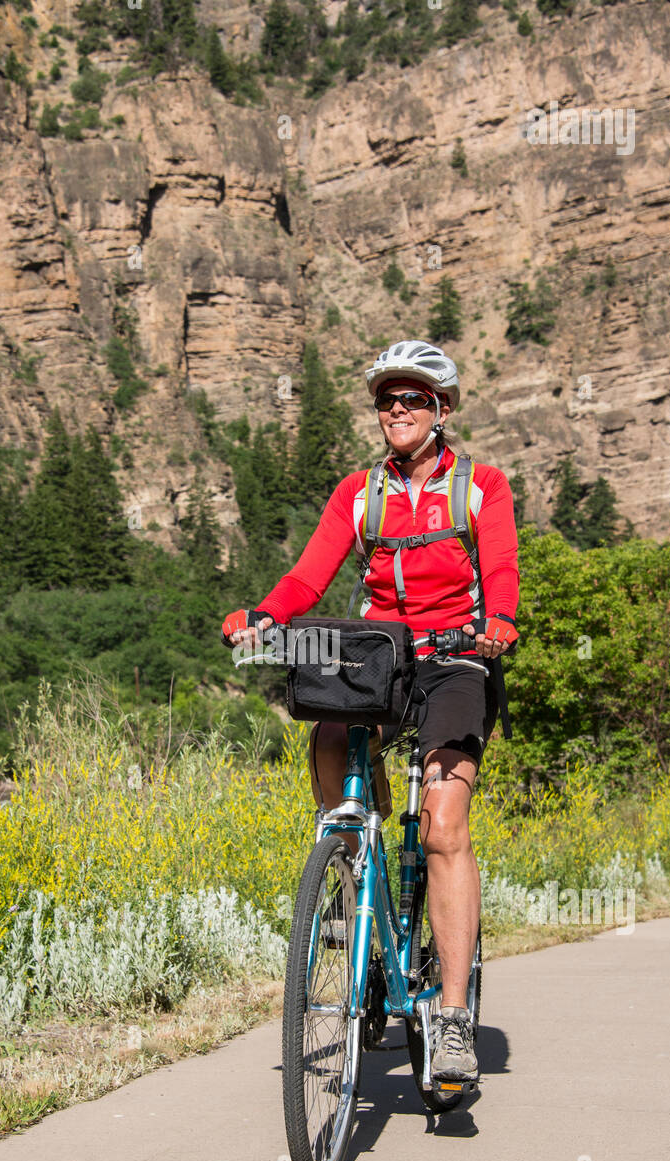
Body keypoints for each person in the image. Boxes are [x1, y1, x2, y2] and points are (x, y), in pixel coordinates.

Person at [221, 340, 519, 1086]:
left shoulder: (480, 485)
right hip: (378, 653)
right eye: (386, 399)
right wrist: (263, 614)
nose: (396, 409)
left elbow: (503, 568)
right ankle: (352, 854)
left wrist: (500, 622)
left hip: (456, 657)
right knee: (327, 735)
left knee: (446, 822)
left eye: (412, 398)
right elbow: (308, 574)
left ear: (441, 409)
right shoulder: (360, 492)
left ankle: (451, 1019)